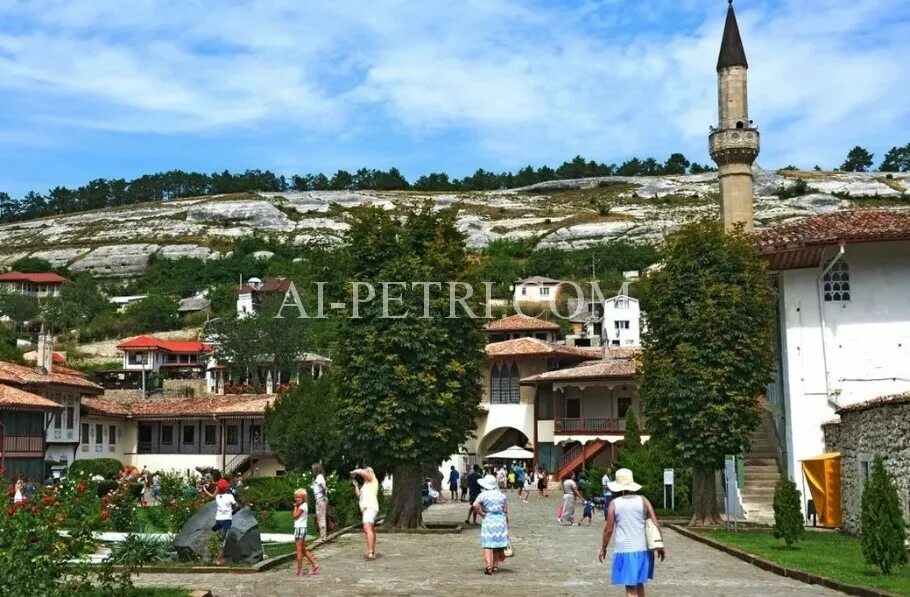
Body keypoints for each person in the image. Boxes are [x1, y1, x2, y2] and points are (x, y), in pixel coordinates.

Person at [598, 469, 666, 597]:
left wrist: (603, 548)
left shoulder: (614, 504)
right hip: (644, 550)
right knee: (639, 586)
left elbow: (608, 530)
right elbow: (655, 523)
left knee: (631, 590)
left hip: (625, 550)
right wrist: (660, 546)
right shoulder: (643, 500)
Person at [473, 474, 510, 575]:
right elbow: (505, 510)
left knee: (487, 544)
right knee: (498, 545)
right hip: (500, 520)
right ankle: (495, 566)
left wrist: (481, 513)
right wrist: (506, 523)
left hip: (489, 519)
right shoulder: (502, 495)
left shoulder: (483, 495)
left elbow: (475, 505)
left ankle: (488, 566)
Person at [351, 467, 379, 560]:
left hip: (370, 507)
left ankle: (371, 552)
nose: (366, 473)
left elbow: (364, 473)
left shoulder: (372, 480)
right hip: (366, 508)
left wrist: (356, 471)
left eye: (368, 471)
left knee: (367, 527)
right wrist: (356, 485)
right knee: (370, 528)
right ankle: (372, 550)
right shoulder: (366, 485)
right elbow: (359, 495)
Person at [292, 488, 319, 576]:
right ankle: (314, 564)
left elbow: (295, 516)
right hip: (301, 528)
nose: (297, 499)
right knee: (303, 549)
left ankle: (299, 570)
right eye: (296, 497)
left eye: (299, 497)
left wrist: (295, 506)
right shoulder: (303, 505)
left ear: (304, 498)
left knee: (299, 550)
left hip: (300, 528)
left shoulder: (302, 506)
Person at [213, 478, 237, 565]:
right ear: (226, 487)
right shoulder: (230, 497)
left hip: (218, 519)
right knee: (222, 540)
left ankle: (218, 557)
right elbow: (236, 506)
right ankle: (219, 559)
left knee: (219, 538)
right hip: (227, 519)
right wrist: (233, 511)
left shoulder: (217, 497)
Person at [311, 463, 329, 542]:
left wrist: (323, 496)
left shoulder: (319, 477)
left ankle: (323, 537)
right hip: (320, 499)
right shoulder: (319, 477)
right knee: (320, 517)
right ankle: (322, 536)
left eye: (313, 469)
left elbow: (324, 487)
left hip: (320, 499)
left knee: (321, 517)